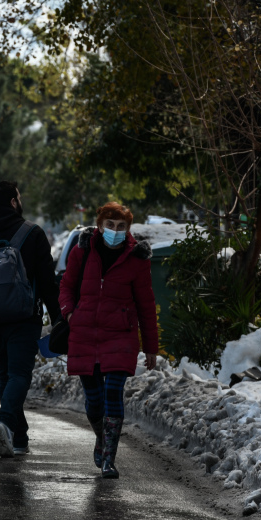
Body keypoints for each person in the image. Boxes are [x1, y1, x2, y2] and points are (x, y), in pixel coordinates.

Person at [0, 180, 64, 458]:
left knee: (8, 374)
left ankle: (19, 437)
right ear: (12, 202)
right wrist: (58, 318)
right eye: (18, 197)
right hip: (23, 317)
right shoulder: (32, 233)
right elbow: (46, 282)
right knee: (19, 374)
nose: (20, 201)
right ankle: (5, 422)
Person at [58, 202, 160, 478]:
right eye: (110, 226)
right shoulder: (83, 250)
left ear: (128, 229)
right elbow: (67, 285)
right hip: (85, 333)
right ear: (100, 225)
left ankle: (109, 459)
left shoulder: (137, 258)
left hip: (120, 335)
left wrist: (151, 346)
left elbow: (146, 304)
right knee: (93, 401)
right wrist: (69, 314)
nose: (115, 231)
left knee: (113, 391)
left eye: (121, 227)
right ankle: (102, 439)